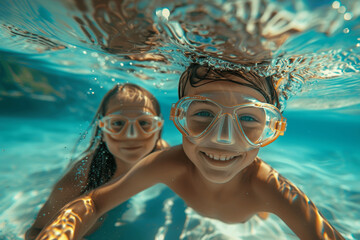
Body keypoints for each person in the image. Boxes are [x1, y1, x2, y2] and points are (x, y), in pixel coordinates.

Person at [35, 64, 344, 240]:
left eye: (248, 119)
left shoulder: (269, 189)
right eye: (203, 114)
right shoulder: (168, 164)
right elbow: (93, 202)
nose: (223, 140)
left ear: (273, 129)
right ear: (177, 118)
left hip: (253, 221)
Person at [26, 83, 168, 239]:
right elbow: (35, 232)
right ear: (103, 129)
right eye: (118, 123)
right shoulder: (79, 181)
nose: (132, 135)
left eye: (144, 123)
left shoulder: (161, 153)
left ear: (158, 127)